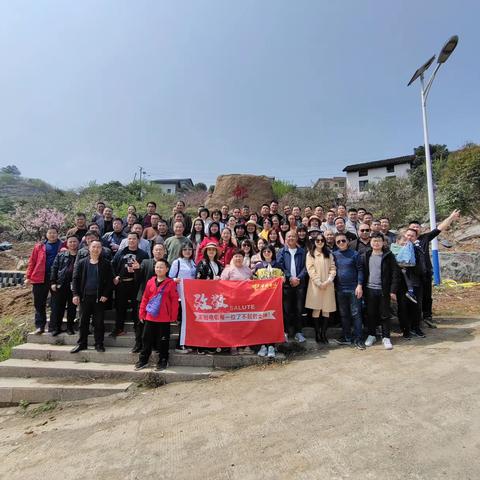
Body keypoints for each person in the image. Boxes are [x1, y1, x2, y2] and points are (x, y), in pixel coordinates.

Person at [408, 209, 460, 327]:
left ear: (420, 230)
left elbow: (439, 229)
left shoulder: (424, 238)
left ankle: (427, 316)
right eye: (413, 227)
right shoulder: (404, 241)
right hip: (410, 275)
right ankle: (413, 319)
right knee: (412, 296)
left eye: (417, 227)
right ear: (408, 229)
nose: (415, 228)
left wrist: (451, 217)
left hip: (425, 273)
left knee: (427, 296)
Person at [70, 240, 114, 353]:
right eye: (93, 247)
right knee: (83, 322)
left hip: (99, 298)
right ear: (89, 248)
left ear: (101, 249)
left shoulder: (106, 263)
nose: (96, 249)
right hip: (84, 297)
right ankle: (82, 344)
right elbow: (75, 279)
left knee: (99, 322)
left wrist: (105, 294)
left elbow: (110, 281)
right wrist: (75, 294)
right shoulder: (82, 262)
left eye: (98, 247)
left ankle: (99, 344)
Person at [136, 259, 179, 371]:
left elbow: (174, 301)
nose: (159, 269)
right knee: (146, 339)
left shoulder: (170, 283)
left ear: (167, 269)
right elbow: (145, 298)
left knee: (163, 340)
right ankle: (143, 360)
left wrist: (173, 316)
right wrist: (141, 313)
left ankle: (163, 360)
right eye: (157, 267)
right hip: (150, 316)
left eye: (161, 267)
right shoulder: (150, 281)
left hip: (164, 317)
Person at [363, 233, 399, 350]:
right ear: (370, 242)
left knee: (385, 314)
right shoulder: (366, 255)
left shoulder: (388, 255)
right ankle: (371, 335)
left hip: (384, 290)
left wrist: (393, 290)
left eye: (379, 241)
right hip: (369, 289)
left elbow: (395, 274)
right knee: (371, 314)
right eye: (374, 240)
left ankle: (386, 337)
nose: (376, 243)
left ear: (383, 242)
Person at [25, 227, 63, 334]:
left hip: (56, 278)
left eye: (54, 233)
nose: (52, 235)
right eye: (50, 233)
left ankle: (53, 327)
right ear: (46, 234)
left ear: (57, 234)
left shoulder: (63, 245)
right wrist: (28, 277)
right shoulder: (39, 246)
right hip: (40, 277)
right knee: (39, 303)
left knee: (56, 303)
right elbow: (32, 261)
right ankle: (40, 326)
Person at [111, 232, 149, 337]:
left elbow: (145, 270)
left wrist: (137, 270)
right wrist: (115, 277)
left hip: (136, 285)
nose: (131, 241)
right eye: (129, 239)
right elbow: (113, 266)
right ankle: (119, 328)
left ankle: (138, 331)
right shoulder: (120, 252)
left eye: (134, 239)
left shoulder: (143, 254)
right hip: (122, 284)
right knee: (120, 307)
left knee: (136, 308)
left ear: (138, 240)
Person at [333, 232, 365, 349]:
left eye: (343, 240)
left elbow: (360, 270)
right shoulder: (334, 255)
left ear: (347, 241)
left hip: (353, 289)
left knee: (356, 314)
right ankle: (347, 337)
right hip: (340, 289)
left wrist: (359, 285)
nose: (341, 243)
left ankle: (358, 339)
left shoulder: (354, 254)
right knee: (344, 315)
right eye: (338, 241)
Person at [133, 243, 167, 353]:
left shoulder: (167, 264)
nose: (158, 252)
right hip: (144, 298)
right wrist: (137, 270)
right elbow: (138, 279)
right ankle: (138, 344)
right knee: (140, 323)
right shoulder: (145, 262)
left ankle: (155, 345)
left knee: (157, 324)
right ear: (152, 251)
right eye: (156, 250)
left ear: (164, 252)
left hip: (160, 300)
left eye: (160, 250)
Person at [221, 249, 253, 355]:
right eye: (236, 256)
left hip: (245, 301)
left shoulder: (248, 270)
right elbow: (222, 285)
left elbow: (253, 284)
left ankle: (246, 345)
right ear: (232, 258)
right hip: (232, 301)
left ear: (243, 258)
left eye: (240, 256)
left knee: (246, 324)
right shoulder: (228, 270)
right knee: (233, 324)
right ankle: (233, 346)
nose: (238, 258)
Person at [305, 234, 336, 344]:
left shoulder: (329, 254)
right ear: (314, 242)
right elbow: (310, 269)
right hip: (315, 285)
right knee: (316, 309)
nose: (320, 242)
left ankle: (323, 333)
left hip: (328, 285)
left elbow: (333, 268)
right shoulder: (310, 254)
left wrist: (329, 280)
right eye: (317, 240)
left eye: (322, 240)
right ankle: (317, 333)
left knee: (326, 310)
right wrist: (318, 282)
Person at [277, 231, 307, 343]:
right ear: (285, 238)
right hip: (286, 285)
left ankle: (298, 332)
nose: (291, 238)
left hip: (299, 284)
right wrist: (290, 277)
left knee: (299, 309)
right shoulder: (281, 251)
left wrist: (298, 278)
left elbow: (306, 267)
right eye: (289, 236)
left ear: (297, 238)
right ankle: (286, 332)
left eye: (293, 236)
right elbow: (280, 266)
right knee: (286, 309)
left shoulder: (302, 252)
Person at [397, 229, 427, 339]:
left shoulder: (418, 250)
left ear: (416, 238)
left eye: (412, 236)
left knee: (416, 307)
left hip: (415, 283)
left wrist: (410, 265)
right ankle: (405, 330)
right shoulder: (397, 249)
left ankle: (416, 328)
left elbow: (422, 268)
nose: (409, 238)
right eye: (408, 235)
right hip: (401, 284)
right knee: (403, 307)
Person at [169, 241, 196, 353]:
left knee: (188, 321)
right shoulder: (177, 262)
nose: (187, 251)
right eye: (185, 249)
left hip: (191, 296)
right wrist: (174, 280)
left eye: (189, 249)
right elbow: (170, 278)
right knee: (182, 321)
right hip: (180, 296)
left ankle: (186, 343)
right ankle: (179, 345)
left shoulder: (193, 262)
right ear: (181, 251)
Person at [49, 235, 79, 336]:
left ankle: (70, 328)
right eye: (70, 242)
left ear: (78, 243)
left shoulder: (81, 255)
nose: (72, 244)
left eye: (74, 242)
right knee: (58, 308)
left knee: (72, 308)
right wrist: (53, 282)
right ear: (67, 243)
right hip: (61, 285)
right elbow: (54, 268)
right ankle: (57, 328)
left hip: (74, 286)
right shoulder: (61, 255)